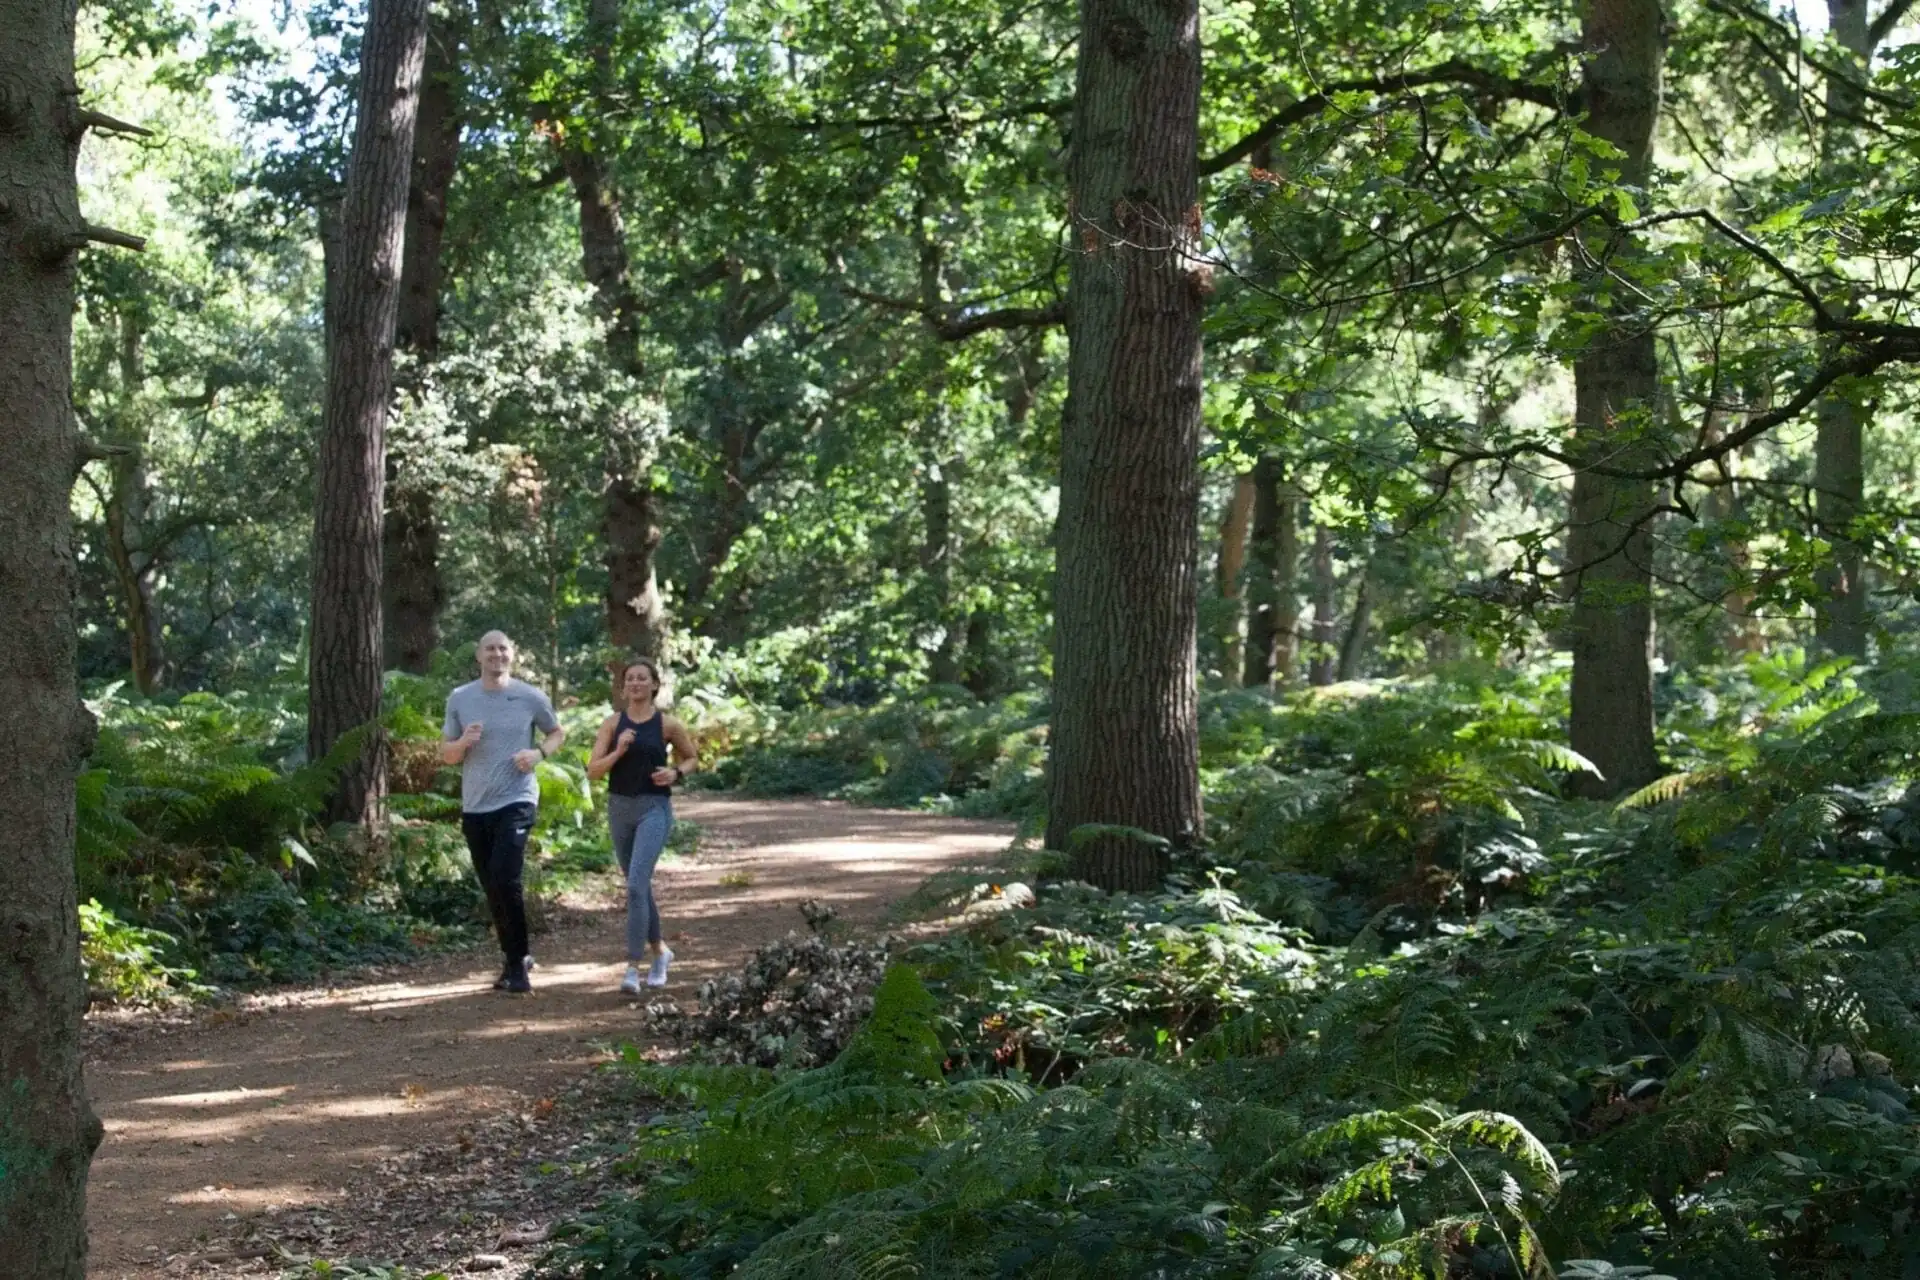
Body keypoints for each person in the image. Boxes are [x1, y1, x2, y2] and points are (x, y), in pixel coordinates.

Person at [441, 631, 565, 994]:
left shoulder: (529, 696)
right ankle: (517, 955)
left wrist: (538, 754)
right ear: (478, 656)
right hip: (476, 805)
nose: (497, 654)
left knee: (504, 876)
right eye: (490, 649)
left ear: (513, 655)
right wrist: (462, 743)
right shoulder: (461, 698)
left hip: (518, 798)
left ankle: (516, 965)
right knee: (491, 884)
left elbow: (556, 732)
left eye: (503, 648)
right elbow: (446, 753)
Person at [587, 657, 699, 994]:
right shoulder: (612, 725)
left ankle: (632, 968)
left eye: (642, 678)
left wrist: (676, 773)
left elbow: (691, 758)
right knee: (639, 886)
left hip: (654, 807)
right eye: (630, 678)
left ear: (653, 685)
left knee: (636, 885)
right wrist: (619, 750)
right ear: (623, 688)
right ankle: (661, 952)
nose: (636, 683)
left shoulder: (668, 725)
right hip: (620, 808)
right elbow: (593, 770)